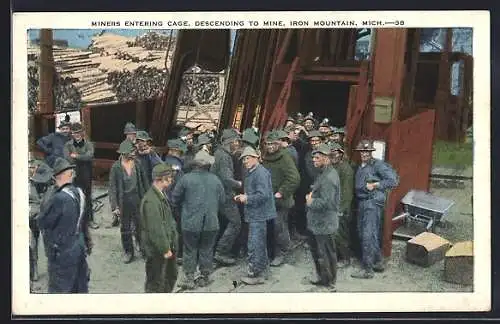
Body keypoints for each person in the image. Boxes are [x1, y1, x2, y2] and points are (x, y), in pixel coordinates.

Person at [37, 157, 92, 293]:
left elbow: (43, 222)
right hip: (78, 247)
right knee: (79, 288)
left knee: (59, 290)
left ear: (57, 177)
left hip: (62, 251)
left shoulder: (59, 198)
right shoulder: (80, 193)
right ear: (70, 175)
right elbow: (83, 222)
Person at [171, 150, 225, 289]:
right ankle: (204, 277)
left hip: (190, 223)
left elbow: (174, 199)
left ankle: (189, 278)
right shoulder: (216, 180)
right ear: (208, 165)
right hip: (211, 223)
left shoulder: (186, 179)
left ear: (194, 165)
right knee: (207, 249)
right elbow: (222, 201)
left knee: (190, 249)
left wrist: (182, 211)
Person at [351, 140, 399, 279]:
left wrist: (376, 184)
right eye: (362, 152)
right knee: (364, 233)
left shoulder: (378, 164)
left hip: (371, 203)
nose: (364, 154)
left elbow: (393, 180)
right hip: (362, 202)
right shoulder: (360, 166)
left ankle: (367, 270)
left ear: (371, 152)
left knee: (367, 235)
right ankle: (377, 262)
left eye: (367, 151)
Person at [235, 146, 276, 285]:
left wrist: (247, 198)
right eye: (243, 159)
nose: (245, 161)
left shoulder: (260, 173)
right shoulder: (253, 171)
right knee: (259, 243)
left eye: (247, 158)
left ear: (256, 158)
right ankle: (263, 271)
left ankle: (255, 274)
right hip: (256, 213)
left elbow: (263, 195)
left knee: (255, 244)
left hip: (258, 214)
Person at [261, 131, 300, 267]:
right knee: (269, 227)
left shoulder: (285, 157)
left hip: (280, 200)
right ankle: (270, 252)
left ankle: (281, 253)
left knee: (279, 227)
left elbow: (294, 178)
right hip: (267, 199)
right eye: (267, 144)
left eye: (273, 144)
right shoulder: (265, 157)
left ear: (278, 144)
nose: (270, 146)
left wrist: (281, 192)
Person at [305, 143, 340, 291]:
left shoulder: (329, 178)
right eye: (314, 158)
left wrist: (311, 202)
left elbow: (327, 202)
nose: (314, 161)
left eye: (317, 158)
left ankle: (329, 281)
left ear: (326, 159)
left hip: (324, 222)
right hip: (319, 222)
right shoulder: (325, 173)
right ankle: (324, 277)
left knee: (325, 252)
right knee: (322, 252)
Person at [140, 163, 179, 293]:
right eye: (169, 178)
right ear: (161, 179)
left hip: (165, 248)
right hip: (158, 252)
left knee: (168, 278)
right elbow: (155, 229)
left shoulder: (160, 195)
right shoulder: (151, 201)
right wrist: (165, 249)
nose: (172, 180)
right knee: (156, 283)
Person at [108, 140, 148, 263]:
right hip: (123, 201)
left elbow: (145, 182)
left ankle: (142, 248)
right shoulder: (116, 167)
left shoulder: (138, 164)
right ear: (124, 153)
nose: (134, 153)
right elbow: (112, 187)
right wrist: (114, 206)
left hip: (137, 199)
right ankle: (128, 251)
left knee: (140, 226)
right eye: (131, 152)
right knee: (125, 228)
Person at [212, 129, 243, 265]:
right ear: (230, 142)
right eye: (236, 141)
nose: (237, 144)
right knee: (236, 223)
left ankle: (216, 250)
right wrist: (240, 184)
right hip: (225, 195)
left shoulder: (219, 153)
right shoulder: (224, 157)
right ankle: (221, 252)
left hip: (217, 194)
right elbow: (226, 179)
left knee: (222, 223)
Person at [64, 122, 99, 229]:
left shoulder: (89, 144)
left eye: (79, 132)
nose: (77, 135)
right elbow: (67, 158)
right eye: (75, 133)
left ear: (82, 133)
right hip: (73, 173)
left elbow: (89, 156)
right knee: (74, 196)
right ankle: (75, 221)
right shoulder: (68, 145)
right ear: (72, 134)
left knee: (87, 196)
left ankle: (90, 220)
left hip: (86, 173)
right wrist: (79, 157)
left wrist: (76, 156)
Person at [329, 142, 354, 267]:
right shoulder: (330, 167)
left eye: (336, 153)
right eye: (331, 153)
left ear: (341, 154)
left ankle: (345, 258)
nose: (334, 155)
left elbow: (347, 192)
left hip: (340, 208)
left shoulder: (346, 169)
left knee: (340, 234)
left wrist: (341, 209)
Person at [29, 159, 53, 285]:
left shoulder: (50, 185)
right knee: (32, 244)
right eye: (30, 168)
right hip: (32, 218)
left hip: (46, 219)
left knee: (50, 245)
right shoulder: (27, 184)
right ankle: (34, 270)